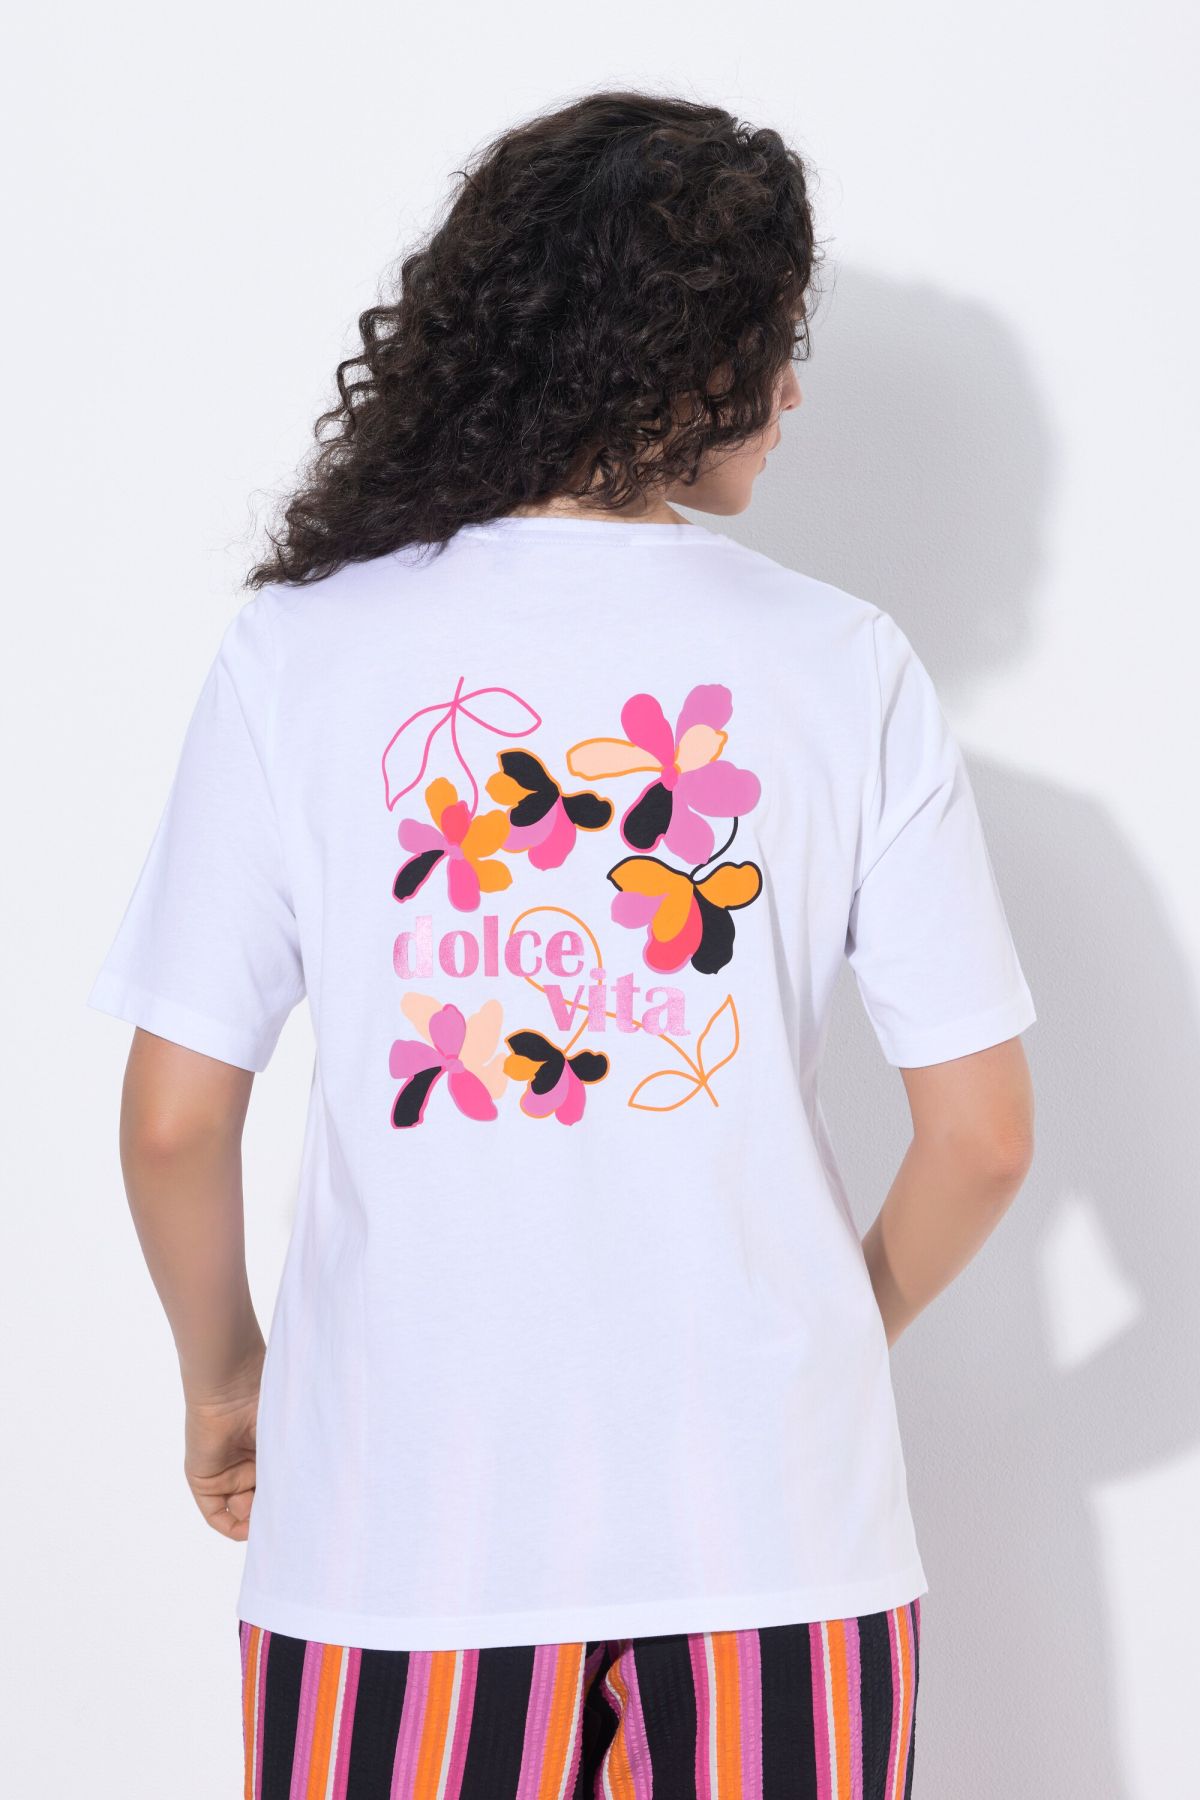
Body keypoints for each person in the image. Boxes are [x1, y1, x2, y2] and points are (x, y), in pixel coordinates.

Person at [88, 90, 1037, 1798]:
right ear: (680, 352)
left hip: (389, 1546)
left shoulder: (301, 654)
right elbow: (982, 1138)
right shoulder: (847, 668)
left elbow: (173, 1117)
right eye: (776, 340)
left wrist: (227, 1384)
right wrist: (829, 1336)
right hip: (780, 1549)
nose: (794, 391)